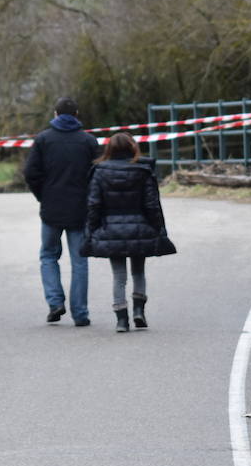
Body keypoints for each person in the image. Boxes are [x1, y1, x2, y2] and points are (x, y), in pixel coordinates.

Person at [83, 132, 176, 332]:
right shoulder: (142, 171)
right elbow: (152, 204)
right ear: (132, 147)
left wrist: (90, 230)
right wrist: (159, 228)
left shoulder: (99, 171)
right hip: (139, 229)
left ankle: (121, 320)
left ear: (109, 149)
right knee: (138, 271)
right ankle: (139, 312)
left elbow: (94, 204)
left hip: (111, 231)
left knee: (118, 275)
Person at [23, 96, 100, 326]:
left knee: (48, 256)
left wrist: (43, 196)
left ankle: (55, 301)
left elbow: (30, 173)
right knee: (80, 261)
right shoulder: (88, 142)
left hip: (51, 210)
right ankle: (81, 313)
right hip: (80, 210)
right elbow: (97, 175)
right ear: (76, 115)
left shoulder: (44, 140)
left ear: (55, 115)